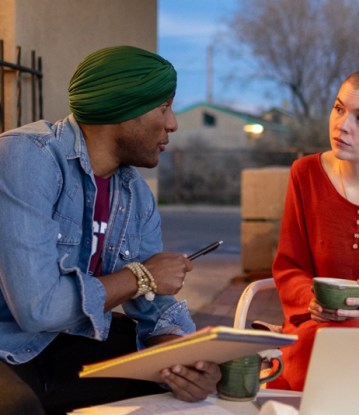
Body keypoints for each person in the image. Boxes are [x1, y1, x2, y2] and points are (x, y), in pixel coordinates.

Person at [0, 45, 221, 415]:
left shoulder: (136, 196)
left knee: (185, 389)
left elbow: (156, 308)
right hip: (9, 346)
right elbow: (37, 308)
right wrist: (142, 276)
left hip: (68, 344)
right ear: (126, 109)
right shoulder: (27, 158)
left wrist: (189, 361)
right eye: (164, 107)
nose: (173, 124)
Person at [269, 67, 359, 391]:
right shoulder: (304, 173)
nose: (341, 125)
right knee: (322, 354)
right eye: (339, 108)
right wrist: (311, 300)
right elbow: (289, 265)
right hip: (315, 326)